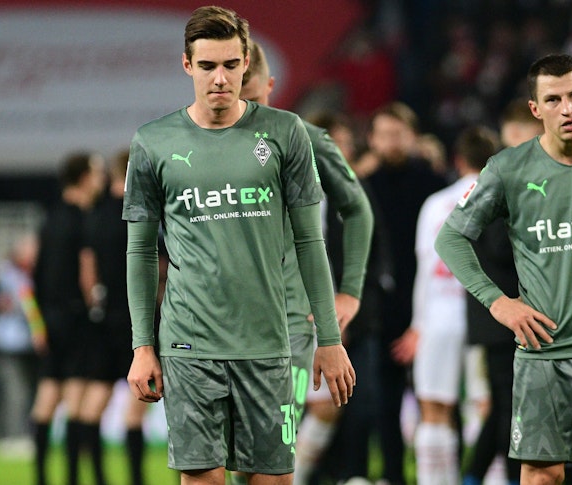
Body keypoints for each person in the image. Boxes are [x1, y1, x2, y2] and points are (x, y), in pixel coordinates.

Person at [121, 6, 355, 485]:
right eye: (207, 66)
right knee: (202, 478)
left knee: (271, 480)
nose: (220, 78)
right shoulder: (152, 143)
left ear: (246, 62)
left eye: (230, 64)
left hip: (268, 344)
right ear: (187, 66)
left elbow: (311, 242)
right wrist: (143, 345)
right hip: (189, 344)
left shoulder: (286, 133)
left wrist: (329, 339)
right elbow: (141, 253)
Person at [434, 53, 572, 485]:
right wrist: (499, 304)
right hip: (542, 355)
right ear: (536, 110)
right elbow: (451, 238)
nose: (567, 108)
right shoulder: (508, 169)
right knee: (540, 476)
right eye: (553, 99)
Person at [240, 40, 374, 485]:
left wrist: (349, 291)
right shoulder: (197, 146)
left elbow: (357, 209)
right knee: (231, 453)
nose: (248, 110)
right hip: (222, 322)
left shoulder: (308, 139)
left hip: (294, 320)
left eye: (255, 98)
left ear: (272, 86)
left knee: (277, 444)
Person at [339, 102, 447, 484]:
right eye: (384, 134)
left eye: (399, 133)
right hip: (379, 311)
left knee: (436, 398)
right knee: (379, 401)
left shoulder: (436, 186)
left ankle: (432, 473)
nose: (392, 141)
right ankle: (388, 475)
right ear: (372, 139)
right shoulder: (362, 187)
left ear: (413, 137)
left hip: (428, 307)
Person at [391, 125, 500, 485]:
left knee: (434, 409)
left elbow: (426, 266)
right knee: (487, 410)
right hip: (488, 316)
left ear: (458, 160)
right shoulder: (501, 200)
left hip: (438, 316)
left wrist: (417, 325)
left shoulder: (436, 204)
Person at [461, 97, 543, 485]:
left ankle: (474, 475)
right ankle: (510, 478)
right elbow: (495, 245)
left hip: (504, 317)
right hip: (505, 316)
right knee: (514, 407)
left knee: (507, 406)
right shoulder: (505, 179)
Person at [30, 151, 107, 485]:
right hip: (76, 318)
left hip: (49, 318)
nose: (101, 180)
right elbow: (86, 271)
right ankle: (73, 477)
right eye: (97, 173)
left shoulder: (49, 218)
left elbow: (35, 273)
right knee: (75, 400)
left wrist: (38, 323)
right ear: (85, 178)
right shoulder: (82, 219)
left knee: (46, 397)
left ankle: (42, 477)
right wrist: (95, 303)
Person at [82, 149, 151, 485]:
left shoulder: (95, 215)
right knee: (138, 405)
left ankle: (96, 477)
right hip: (137, 317)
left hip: (103, 316)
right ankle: (137, 479)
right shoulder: (139, 214)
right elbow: (159, 265)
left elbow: (87, 270)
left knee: (96, 399)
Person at [0, 233, 42, 458]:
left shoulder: (37, 275)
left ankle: (25, 436)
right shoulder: (3, 274)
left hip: (32, 343)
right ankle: (10, 437)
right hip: (6, 344)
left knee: (31, 393)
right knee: (13, 392)